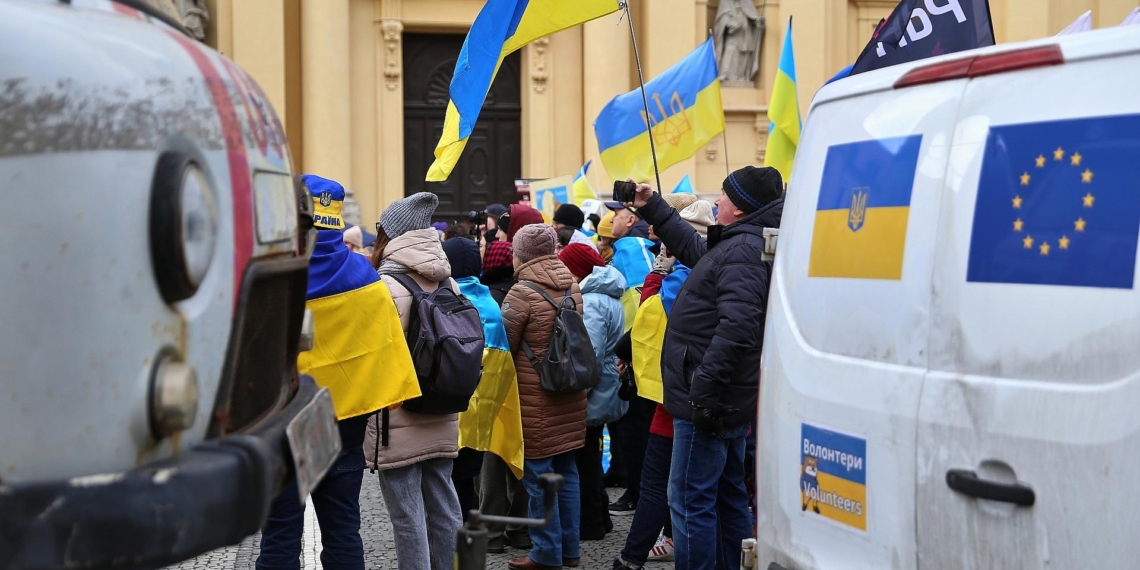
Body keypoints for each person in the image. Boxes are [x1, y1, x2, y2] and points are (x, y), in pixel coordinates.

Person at [257, 175, 419, 570]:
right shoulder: (365, 276)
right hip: (344, 422)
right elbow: (385, 347)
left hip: (281, 420)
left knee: (279, 531)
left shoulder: (272, 275)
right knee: (343, 528)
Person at [627, 166, 784, 570]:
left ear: (741, 207)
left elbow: (738, 327)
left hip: (710, 399)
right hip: (722, 397)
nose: (717, 202)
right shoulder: (739, 244)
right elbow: (695, 250)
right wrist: (653, 207)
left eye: (725, 196)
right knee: (728, 496)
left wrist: (703, 386)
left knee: (689, 499)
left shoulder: (742, 251)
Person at [613, 199, 715, 570]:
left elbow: (650, 315)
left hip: (677, 392)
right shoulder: (709, 270)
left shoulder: (684, 279)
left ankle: (633, 557)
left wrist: (658, 274)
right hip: (685, 389)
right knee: (699, 488)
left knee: (667, 485)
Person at [365, 192, 463, 570]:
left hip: (399, 414)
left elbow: (375, 356)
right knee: (445, 508)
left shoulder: (385, 285)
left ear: (389, 234)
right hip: (442, 407)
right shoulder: (448, 282)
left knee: (407, 517)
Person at [502, 224, 588, 570]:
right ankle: (570, 550)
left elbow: (505, 346)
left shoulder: (521, 292)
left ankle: (546, 553)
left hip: (536, 398)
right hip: (570, 392)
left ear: (521, 254)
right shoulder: (572, 284)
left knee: (539, 478)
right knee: (567, 473)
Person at [479, 204, 545, 554]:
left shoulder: (507, 294)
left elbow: (504, 341)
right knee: (522, 458)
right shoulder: (562, 280)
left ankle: (492, 534)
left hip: (507, 383)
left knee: (495, 459)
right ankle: (520, 531)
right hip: (540, 388)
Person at [559, 243, 627, 542]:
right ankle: (600, 517)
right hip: (605, 384)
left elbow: (590, 353)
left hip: (593, 389)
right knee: (590, 453)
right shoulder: (605, 295)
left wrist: (577, 392)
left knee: (584, 456)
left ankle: (591, 523)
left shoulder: (593, 300)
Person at [442, 236, 487, 520]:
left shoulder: (446, 300)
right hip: (483, 408)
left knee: (452, 481)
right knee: (469, 477)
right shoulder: (490, 301)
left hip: (451, 406)